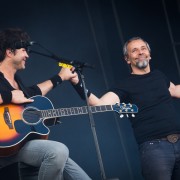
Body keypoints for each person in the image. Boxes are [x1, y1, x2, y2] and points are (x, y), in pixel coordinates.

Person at [69, 37, 180, 180]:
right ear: (127, 59)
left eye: (143, 48)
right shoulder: (124, 85)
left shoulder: (159, 76)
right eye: (134, 50)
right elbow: (99, 104)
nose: (140, 52)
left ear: (149, 54)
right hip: (154, 149)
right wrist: (77, 83)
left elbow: (175, 90)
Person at [0, 28, 91, 180]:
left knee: (68, 164)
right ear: (9, 52)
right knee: (58, 150)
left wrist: (60, 77)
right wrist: (9, 95)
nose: (27, 55)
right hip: (6, 147)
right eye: (24, 50)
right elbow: (12, 96)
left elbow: (33, 92)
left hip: (23, 145)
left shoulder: (17, 82)